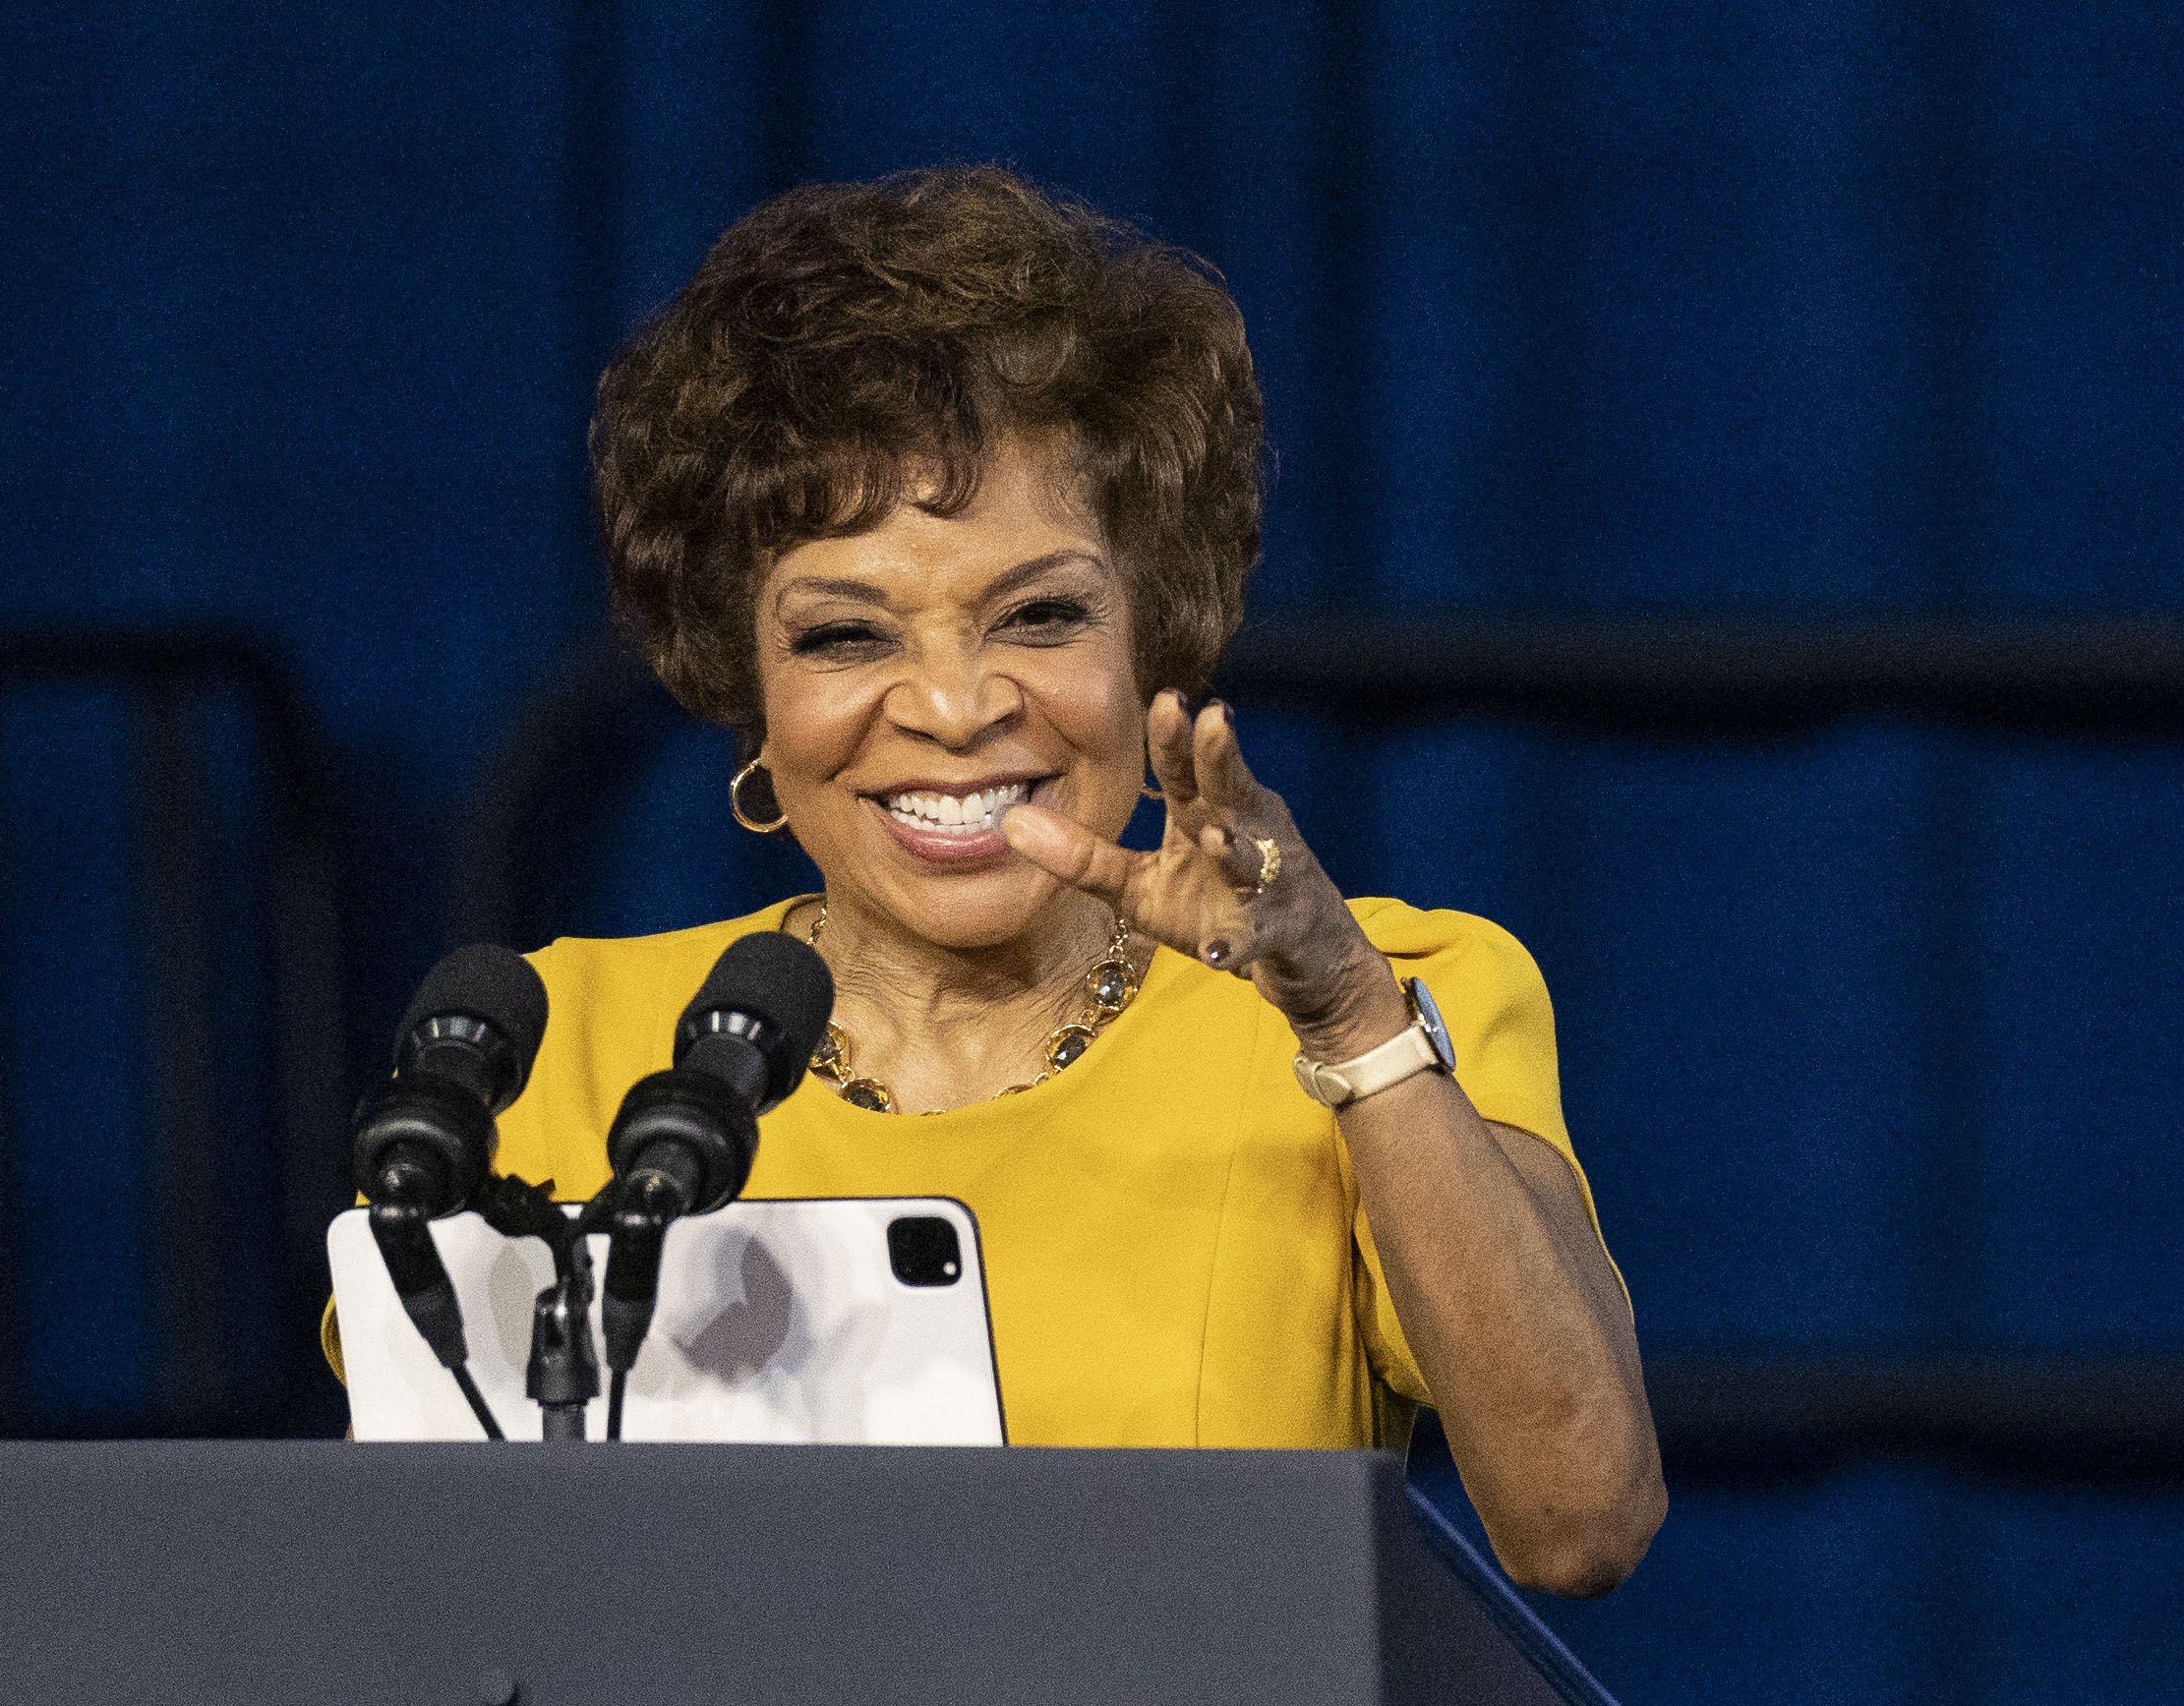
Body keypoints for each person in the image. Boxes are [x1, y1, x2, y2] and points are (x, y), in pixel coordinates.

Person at [501, 166, 1661, 1595]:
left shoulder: (1383, 1004)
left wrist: (1348, 1015)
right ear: (747, 688)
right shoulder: (560, 1054)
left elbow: (1582, 1518)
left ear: (1152, 632)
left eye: (1038, 615)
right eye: (848, 637)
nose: (951, 706)